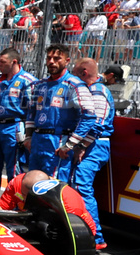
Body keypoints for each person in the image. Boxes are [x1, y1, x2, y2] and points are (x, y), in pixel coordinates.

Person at [26, 44, 96, 183]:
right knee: (32, 183)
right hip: (38, 140)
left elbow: (89, 116)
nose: (52, 61)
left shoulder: (74, 85)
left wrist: (70, 144)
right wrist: (28, 137)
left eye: (57, 58)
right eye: (49, 58)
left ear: (67, 61)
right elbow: (31, 112)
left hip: (58, 141)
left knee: (53, 186)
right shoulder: (40, 85)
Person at [0, 48, 37, 207]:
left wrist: (28, 135)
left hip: (14, 126)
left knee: (14, 168)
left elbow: (32, 110)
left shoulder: (28, 81)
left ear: (14, 62)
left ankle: (13, 205)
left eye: (2, 62)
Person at [71, 57, 112, 250]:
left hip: (95, 145)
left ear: (84, 73)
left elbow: (97, 123)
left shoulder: (98, 91)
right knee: (75, 185)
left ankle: (95, 238)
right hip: (89, 144)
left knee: (81, 186)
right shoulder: (90, 91)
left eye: (74, 73)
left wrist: (82, 146)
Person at [0, 170, 97, 239]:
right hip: (39, 225)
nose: (23, 198)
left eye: (27, 196)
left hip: (77, 235)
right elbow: (1, 206)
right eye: (23, 194)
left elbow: (74, 235)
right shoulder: (18, 183)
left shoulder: (68, 199)